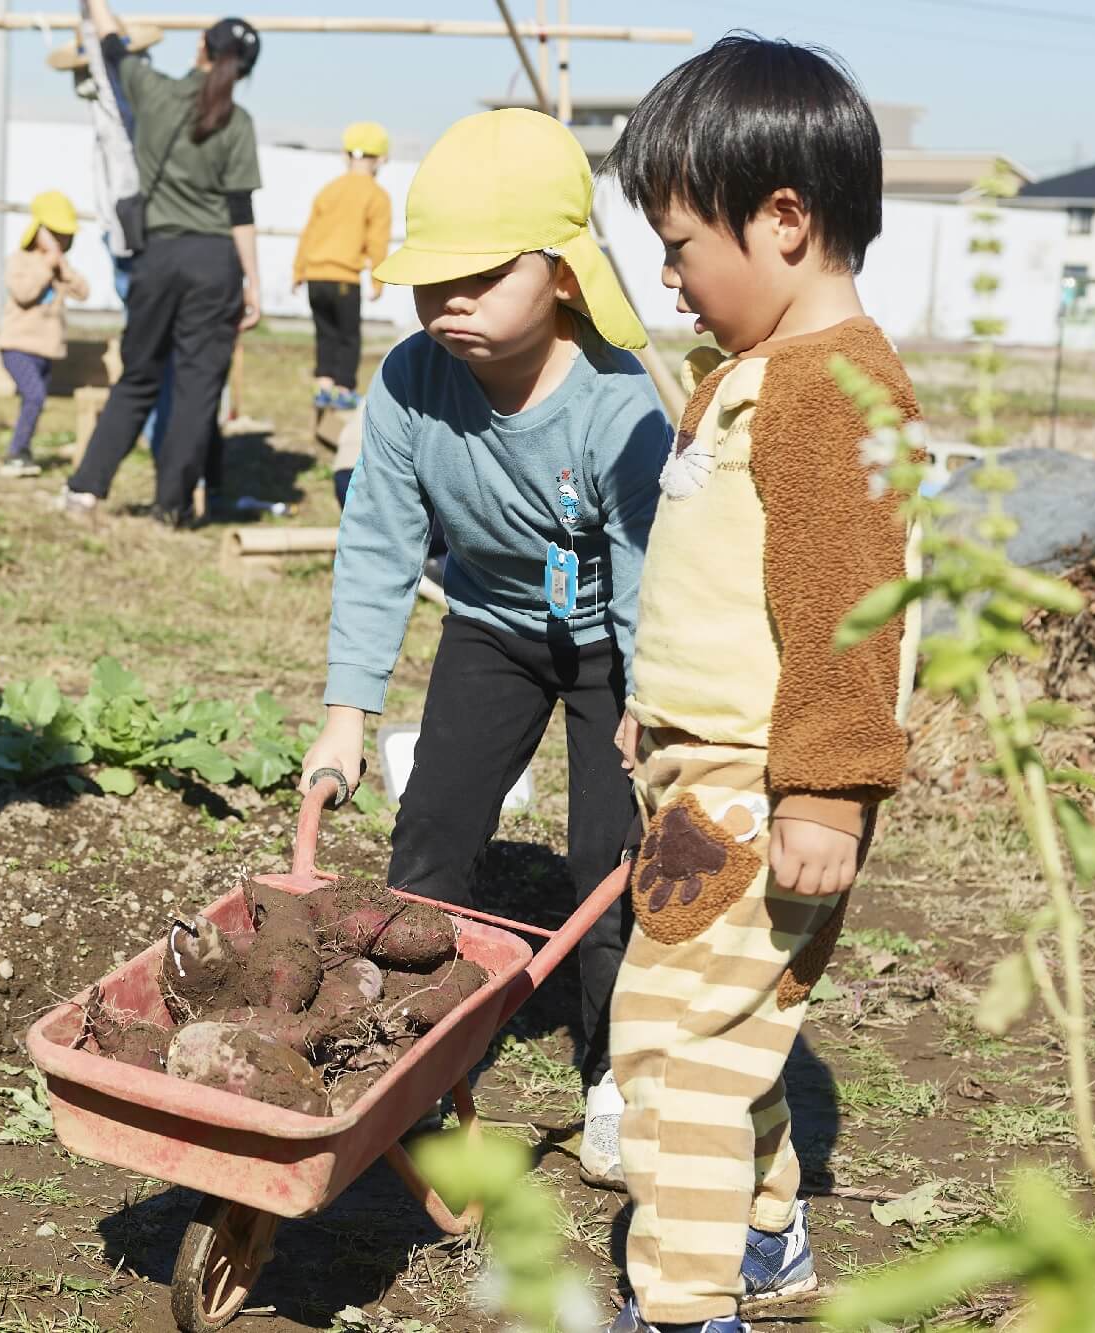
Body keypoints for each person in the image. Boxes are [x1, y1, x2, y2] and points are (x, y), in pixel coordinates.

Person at [599, 36, 919, 1333]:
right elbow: (725, 580)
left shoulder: (830, 393)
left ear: (784, 218)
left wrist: (829, 791)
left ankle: (684, 1309)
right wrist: (654, 703)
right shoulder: (758, 376)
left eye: (681, 246)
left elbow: (850, 606)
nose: (670, 279)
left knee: (668, 1054)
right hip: (707, 769)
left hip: (759, 788)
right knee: (731, 1023)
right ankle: (765, 1231)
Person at [299, 109, 671, 1186]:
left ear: (560, 274)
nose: (445, 301)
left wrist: (650, 707)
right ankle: (403, 1048)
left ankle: (613, 1074)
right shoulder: (414, 382)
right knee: (427, 841)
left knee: (611, 865)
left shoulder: (615, 408)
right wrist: (343, 712)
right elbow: (376, 542)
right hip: (492, 632)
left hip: (613, 649)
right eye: (429, 280)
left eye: (478, 276)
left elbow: (651, 573)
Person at [63, 2, 264, 527]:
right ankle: (170, 508)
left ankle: (86, 491)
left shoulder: (153, 92)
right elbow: (240, 210)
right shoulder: (238, 121)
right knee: (198, 390)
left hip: (158, 258)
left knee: (138, 377)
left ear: (201, 47)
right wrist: (254, 284)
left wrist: (96, 5)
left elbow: (112, 48)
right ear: (244, 70)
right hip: (215, 262)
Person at [292, 121, 392, 411]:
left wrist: (299, 270)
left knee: (325, 334)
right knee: (349, 337)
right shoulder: (377, 196)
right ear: (382, 158)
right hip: (344, 279)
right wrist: (377, 279)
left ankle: (323, 387)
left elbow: (309, 232)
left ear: (345, 155)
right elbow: (377, 242)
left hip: (315, 276)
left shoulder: (328, 190)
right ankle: (344, 389)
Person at [0, 191, 90, 479]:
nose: (61, 241)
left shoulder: (60, 268)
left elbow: (83, 292)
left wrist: (62, 267)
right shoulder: (21, 261)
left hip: (46, 351)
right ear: (38, 231)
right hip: (17, 347)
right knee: (35, 395)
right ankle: (16, 452)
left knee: (35, 400)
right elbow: (24, 293)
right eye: (55, 234)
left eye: (65, 236)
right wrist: (45, 265)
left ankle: (24, 449)